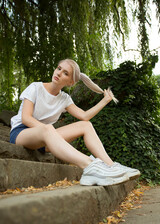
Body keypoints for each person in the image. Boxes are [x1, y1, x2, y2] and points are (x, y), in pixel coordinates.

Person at [10, 59, 140, 186]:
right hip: (21, 133)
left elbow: (84, 116)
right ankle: (90, 166)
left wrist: (105, 100)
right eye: (59, 68)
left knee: (86, 125)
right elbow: (26, 118)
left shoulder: (64, 99)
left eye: (65, 73)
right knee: (48, 129)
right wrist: (50, 133)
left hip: (45, 138)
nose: (59, 73)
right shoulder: (35, 87)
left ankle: (111, 166)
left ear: (71, 82)